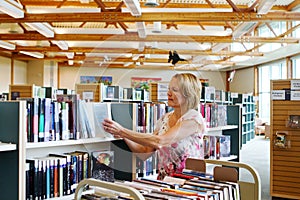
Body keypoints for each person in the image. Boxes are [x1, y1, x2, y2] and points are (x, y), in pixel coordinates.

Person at [102, 73, 206, 180]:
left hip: (188, 183)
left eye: (174, 90)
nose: (168, 93)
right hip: (164, 182)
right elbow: (144, 153)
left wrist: (122, 131)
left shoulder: (194, 119)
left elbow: (160, 141)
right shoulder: (164, 119)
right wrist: (124, 136)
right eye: (169, 89)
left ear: (188, 94)